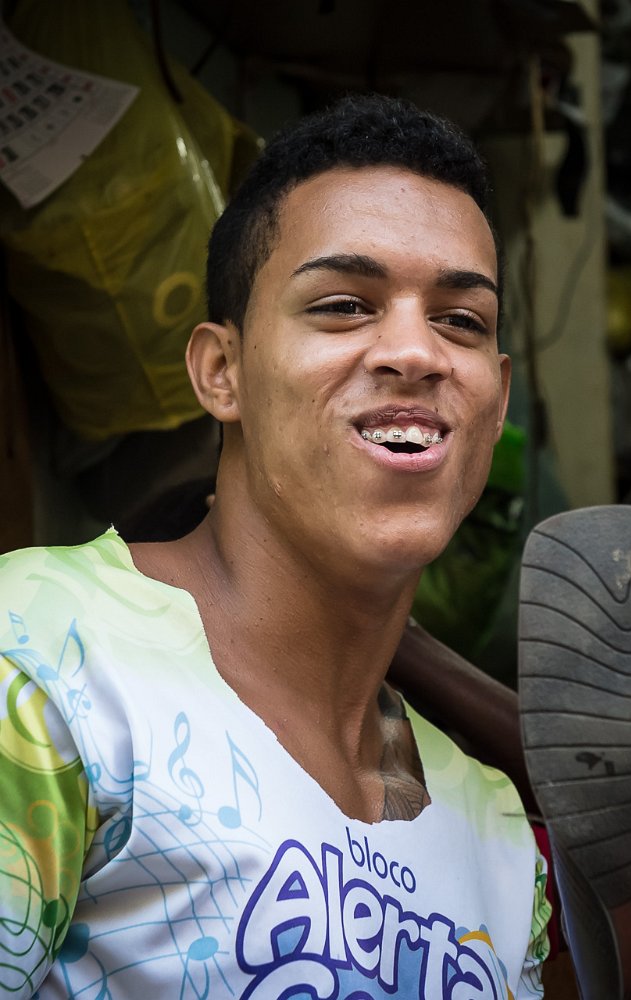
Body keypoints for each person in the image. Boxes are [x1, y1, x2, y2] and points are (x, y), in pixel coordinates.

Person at [0, 94, 550, 998]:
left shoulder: (491, 829)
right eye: (343, 305)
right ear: (222, 372)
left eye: (460, 319)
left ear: (495, 399)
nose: (416, 351)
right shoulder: (45, 659)